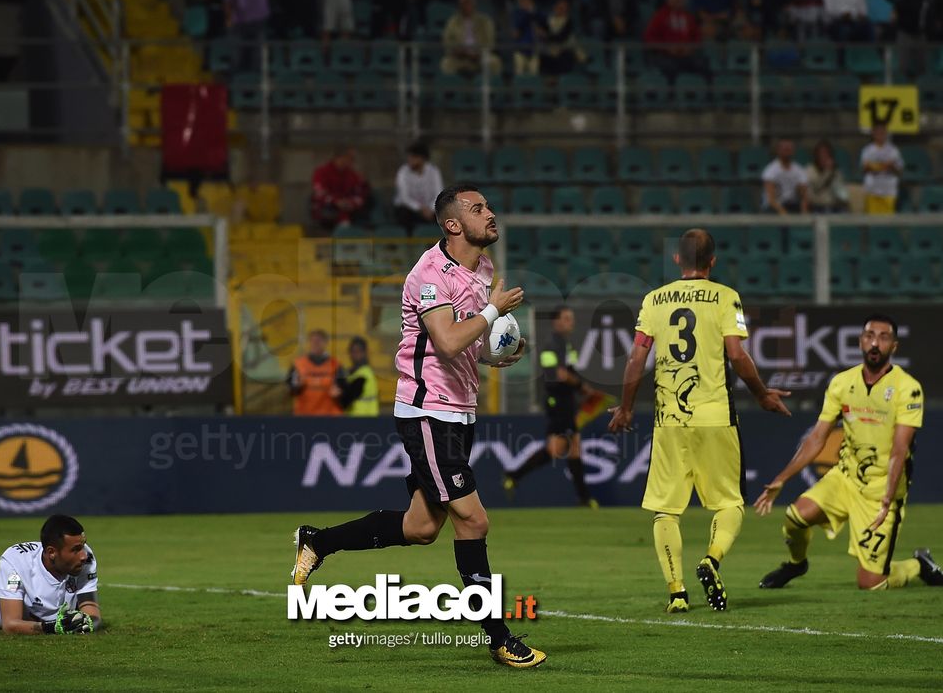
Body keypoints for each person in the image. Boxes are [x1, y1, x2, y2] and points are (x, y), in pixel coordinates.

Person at [290, 184, 546, 668]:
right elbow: (447, 343)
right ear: (452, 225)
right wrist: (494, 311)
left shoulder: (483, 268)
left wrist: (499, 352)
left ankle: (317, 541)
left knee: (422, 526)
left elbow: (467, 347)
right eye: (478, 209)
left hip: (458, 411)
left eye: (489, 205)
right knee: (473, 520)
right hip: (427, 412)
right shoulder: (429, 274)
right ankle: (499, 639)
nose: (490, 213)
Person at [607, 229, 792, 614]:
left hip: (669, 420)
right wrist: (760, 393)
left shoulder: (654, 300)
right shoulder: (726, 297)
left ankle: (676, 592)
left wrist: (625, 407)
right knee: (729, 502)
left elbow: (636, 359)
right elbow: (737, 355)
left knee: (665, 510)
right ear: (713, 261)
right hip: (715, 416)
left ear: (677, 260)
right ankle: (712, 558)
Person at [754, 314, 943, 591]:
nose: (875, 343)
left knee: (871, 583)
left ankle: (919, 565)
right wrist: (782, 478)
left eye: (883, 337)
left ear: (894, 346)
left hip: (881, 492)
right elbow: (818, 437)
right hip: (845, 478)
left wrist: (887, 499)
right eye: (869, 336)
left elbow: (899, 450)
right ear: (860, 341)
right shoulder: (842, 383)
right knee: (795, 517)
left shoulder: (908, 389)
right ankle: (796, 564)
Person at [502, 305, 597, 507]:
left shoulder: (564, 344)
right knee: (560, 449)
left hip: (567, 402)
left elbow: (568, 371)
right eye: (566, 318)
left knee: (572, 447)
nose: (570, 322)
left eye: (571, 318)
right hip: (559, 403)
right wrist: (582, 386)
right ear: (556, 321)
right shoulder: (552, 345)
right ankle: (514, 475)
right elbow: (558, 375)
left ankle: (583, 497)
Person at [643, 0, 710, 84]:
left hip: (687, 54)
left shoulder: (688, 17)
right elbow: (649, 37)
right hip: (666, 55)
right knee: (671, 67)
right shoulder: (660, 16)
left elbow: (697, 36)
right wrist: (666, 48)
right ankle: (672, 96)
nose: (678, 1)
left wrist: (690, 48)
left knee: (703, 65)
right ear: (668, 0)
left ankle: (707, 95)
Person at [223, 0, 272, 70]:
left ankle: (255, 84)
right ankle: (236, 84)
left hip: (259, 21)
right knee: (237, 56)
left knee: (258, 57)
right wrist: (229, 18)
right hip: (239, 23)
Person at [287, 329, 346, 415]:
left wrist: (339, 393)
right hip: (305, 416)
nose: (316, 343)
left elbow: (344, 390)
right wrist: (297, 387)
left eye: (319, 340)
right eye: (313, 340)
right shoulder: (298, 365)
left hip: (329, 416)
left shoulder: (336, 365)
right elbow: (291, 389)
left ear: (325, 342)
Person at [311, 147, 371, 230]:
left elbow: (361, 192)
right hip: (328, 209)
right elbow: (319, 193)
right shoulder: (321, 172)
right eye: (350, 158)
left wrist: (352, 203)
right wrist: (336, 201)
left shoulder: (352, 174)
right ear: (339, 157)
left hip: (349, 209)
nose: (352, 161)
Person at [441, 0, 502, 75]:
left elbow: (490, 42)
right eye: (462, 4)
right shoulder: (453, 22)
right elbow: (447, 42)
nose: (465, 6)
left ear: (473, 4)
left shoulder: (485, 21)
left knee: (494, 62)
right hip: (460, 57)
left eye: (467, 3)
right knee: (446, 64)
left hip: (480, 56)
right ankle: (454, 87)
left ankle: (488, 86)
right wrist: (456, 51)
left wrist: (479, 53)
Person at [394, 141, 444, 234]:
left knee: (444, 213)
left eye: (413, 157)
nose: (409, 160)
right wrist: (420, 209)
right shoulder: (403, 172)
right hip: (410, 209)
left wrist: (430, 209)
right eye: (409, 156)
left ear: (422, 158)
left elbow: (439, 194)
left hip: (430, 209)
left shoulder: (433, 171)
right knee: (403, 214)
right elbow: (404, 198)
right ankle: (409, 243)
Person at [894, 0, 934, 80]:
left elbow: (929, 19)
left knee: (922, 67)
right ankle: (903, 89)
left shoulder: (927, 0)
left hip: (920, 35)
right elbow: (899, 11)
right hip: (905, 34)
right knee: (903, 66)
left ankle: (921, 90)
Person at [861, 123, 904, 215]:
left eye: (882, 132)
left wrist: (891, 166)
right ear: (873, 134)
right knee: (873, 221)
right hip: (872, 191)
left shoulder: (893, 150)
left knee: (888, 223)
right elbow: (864, 169)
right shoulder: (867, 150)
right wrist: (873, 167)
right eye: (877, 132)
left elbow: (900, 170)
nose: (880, 135)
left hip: (888, 190)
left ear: (886, 133)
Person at [761, 138, 809, 214]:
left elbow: (804, 196)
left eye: (789, 148)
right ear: (778, 150)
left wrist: (804, 213)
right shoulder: (770, 170)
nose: (787, 151)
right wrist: (783, 212)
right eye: (785, 149)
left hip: (792, 204)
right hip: (774, 206)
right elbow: (771, 199)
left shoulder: (799, 170)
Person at [337, 336, 379, 416]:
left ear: (364, 353)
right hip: (359, 418)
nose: (354, 355)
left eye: (358, 351)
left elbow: (347, 399)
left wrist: (341, 383)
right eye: (352, 351)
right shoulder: (356, 372)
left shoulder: (364, 375)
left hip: (363, 418)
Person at [806, 140, 850, 214]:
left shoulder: (835, 171)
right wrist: (827, 172)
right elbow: (817, 187)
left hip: (835, 207)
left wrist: (834, 173)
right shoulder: (810, 169)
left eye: (826, 154)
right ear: (816, 155)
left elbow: (843, 194)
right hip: (818, 208)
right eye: (821, 153)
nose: (824, 156)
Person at [511, 0, 542, 75]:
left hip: (534, 50)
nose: (526, 4)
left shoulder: (537, 16)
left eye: (528, 2)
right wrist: (527, 16)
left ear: (532, 4)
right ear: (520, 4)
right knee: (519, 73)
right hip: (520, 50)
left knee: (534, 74)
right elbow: (515, 34)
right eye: (524, 3)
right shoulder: (516, 15)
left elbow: (542, 33)